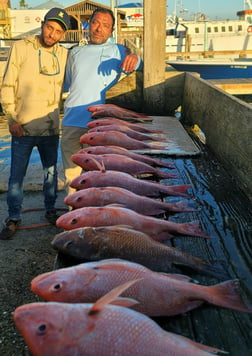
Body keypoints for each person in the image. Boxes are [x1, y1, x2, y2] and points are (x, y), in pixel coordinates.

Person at [0, 8, 70, 240]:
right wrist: (12, 119)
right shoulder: (21, 48)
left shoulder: (64, 55)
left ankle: (50, 209)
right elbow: (8, 84)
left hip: (50, 128)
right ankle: (14, 217)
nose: (52, 34)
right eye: (50, 27)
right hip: (23, 128)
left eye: (58, 31)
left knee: (51, 173)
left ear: (63, 34)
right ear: (43, 24)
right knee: (16, 175)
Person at [61, 7, 143, 194]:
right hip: (71, 122)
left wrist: (135, 59)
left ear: (111, 31)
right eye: (96, 23)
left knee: (103, 174)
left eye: (105, 25)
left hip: (103, 126)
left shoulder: (120, 50)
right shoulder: (74, 52)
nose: (99, 28)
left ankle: (99, 219)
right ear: (88, 25)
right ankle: (73, 218)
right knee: (70, 177)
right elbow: (67, 84)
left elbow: (145, 68)